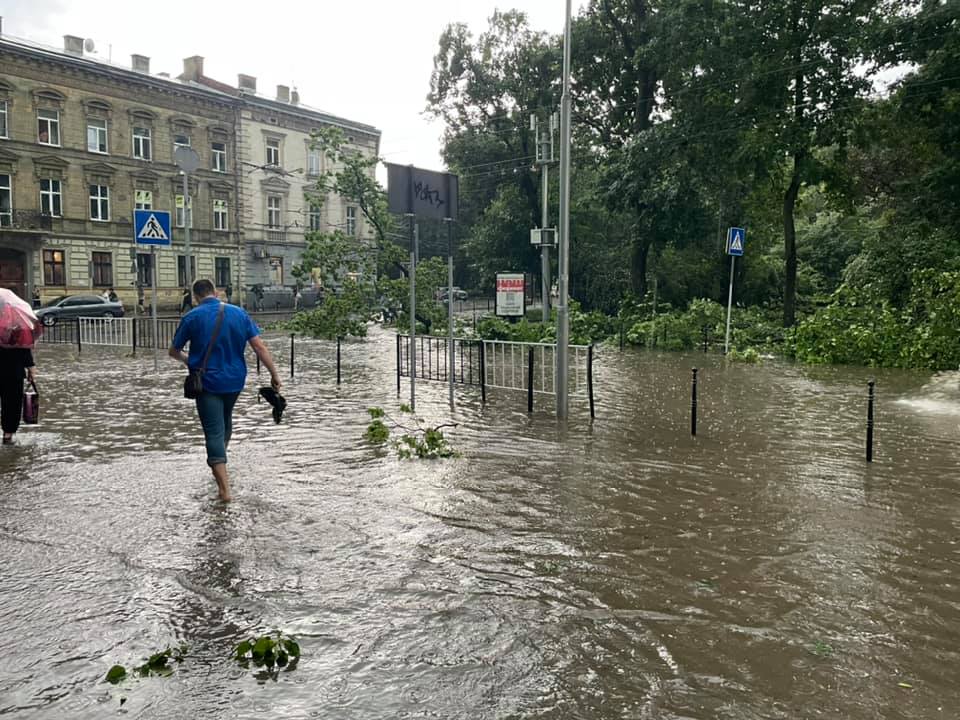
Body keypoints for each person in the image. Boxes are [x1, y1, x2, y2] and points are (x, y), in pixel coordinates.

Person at [169, 278, 282, 502]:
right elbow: (259, 346)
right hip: (234, 381)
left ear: (195, 297)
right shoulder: (239, 313)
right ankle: (220, 463)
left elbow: (173, 351)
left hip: (207, 382)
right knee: (225, 420)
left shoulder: (191, 317)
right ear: (216, 292)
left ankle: (224, 489)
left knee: (213, 430)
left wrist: (190, 362)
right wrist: (274, 374)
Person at [0, 346, 36, 445]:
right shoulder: (18, 330)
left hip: (13, 368)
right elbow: (23, 344)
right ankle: (8, 436)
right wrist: (30, 366)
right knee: (12, 403)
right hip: (13, 369)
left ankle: (8, 435)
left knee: (12, 402)